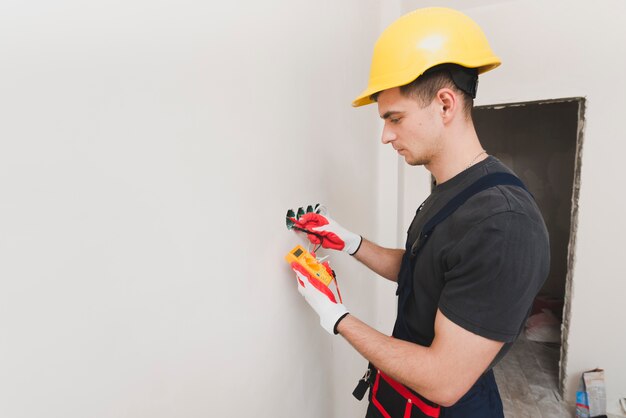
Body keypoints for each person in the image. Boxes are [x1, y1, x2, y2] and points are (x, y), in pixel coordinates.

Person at [287, 7, 550, 418]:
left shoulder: (504, 224)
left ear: (445, 105)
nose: (385, 135)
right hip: (397, 395)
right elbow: (421, 270)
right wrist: (350, 242)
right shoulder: (452, 192)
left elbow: (444, 381)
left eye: (395, 118)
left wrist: (335, 315)